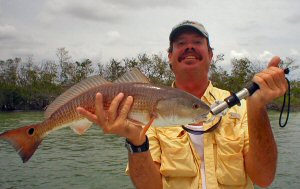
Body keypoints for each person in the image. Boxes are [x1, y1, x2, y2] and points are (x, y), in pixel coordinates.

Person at [77, 20, 288, 189]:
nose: (189, 47)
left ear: (211, 54)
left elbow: (264, 178)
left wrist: (257, 107)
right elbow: (149, 186)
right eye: (180, 43)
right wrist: (135, 142)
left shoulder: (241, 106)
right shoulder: (145, 112)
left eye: (197, 42)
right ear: (170, 56)